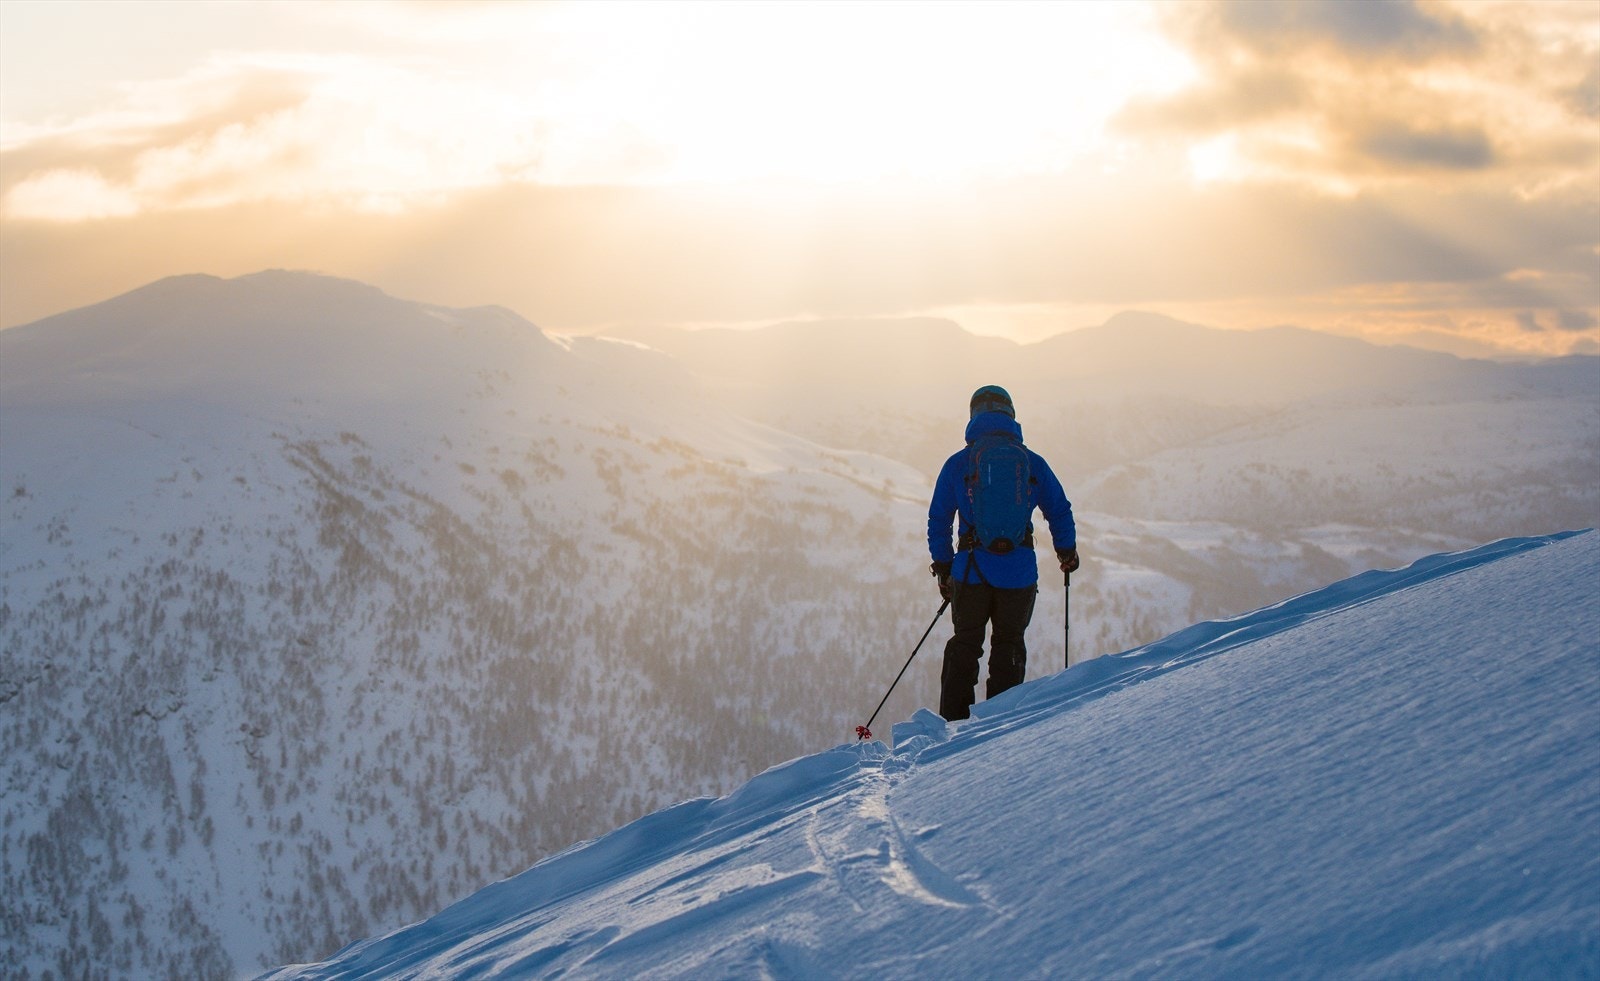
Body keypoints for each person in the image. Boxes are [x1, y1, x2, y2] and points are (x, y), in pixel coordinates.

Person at [927, 385, 1078, 721]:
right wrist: (1066, 551)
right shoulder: (1032, 463)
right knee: (1009, 644)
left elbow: (939, 520)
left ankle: (953, 724)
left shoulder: (958, 464)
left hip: (970, 572)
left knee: (965, 644)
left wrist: (944, 567)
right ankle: (999, 726)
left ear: (974, 416)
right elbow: (1059, 509)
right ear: (1010, 415)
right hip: (1019, 573)